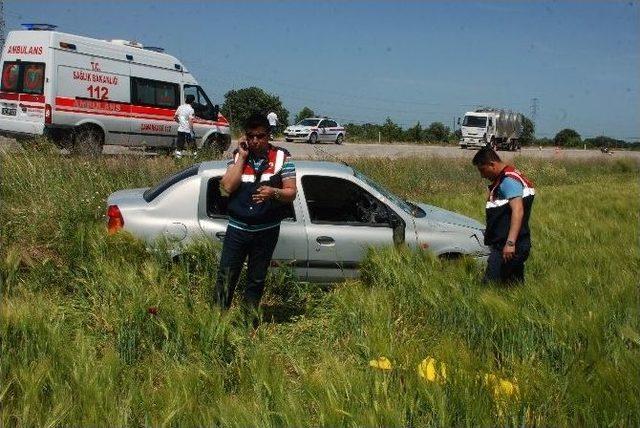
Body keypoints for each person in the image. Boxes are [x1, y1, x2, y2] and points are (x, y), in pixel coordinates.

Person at [214, 112, 297, 319]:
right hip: (237, 229)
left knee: (256, 279)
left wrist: (273, 192)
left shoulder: (282, 158)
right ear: (245, 136)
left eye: (260, 136)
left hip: (266, 232)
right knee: (226, 276)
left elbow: (291, 193)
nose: (255, 141)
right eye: (250, 136)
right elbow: (226, 188)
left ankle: (247, 322)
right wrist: (242, 157)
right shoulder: (237, 156)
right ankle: (216, 322)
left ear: (268, 135)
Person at [472, 147, 535, 284]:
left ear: (492, 164)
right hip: (516, 243)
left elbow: (518, 210)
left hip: (507, 246)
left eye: (482, 170)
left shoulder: (508, 181)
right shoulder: (510, 175)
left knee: (491, 286)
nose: (482, 175)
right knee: (512, 287)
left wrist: (510, 243)